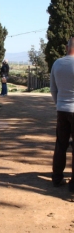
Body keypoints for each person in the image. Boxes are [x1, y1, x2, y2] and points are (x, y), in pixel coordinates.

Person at [50, 37, 74, 190]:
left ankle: (57, 177)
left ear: (67, 47)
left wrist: (58, 104)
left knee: (61, 144)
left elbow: (53, 89)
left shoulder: (57, 63)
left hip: (62, 109)